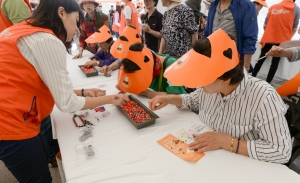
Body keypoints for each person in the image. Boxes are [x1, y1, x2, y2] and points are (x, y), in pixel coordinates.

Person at [0, 0, 129, 182]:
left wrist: (83, 92)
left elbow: (45, 82)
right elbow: (67, 103)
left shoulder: (20, 29)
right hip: (10, 123)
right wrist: (110, 99)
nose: (77, 29)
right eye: (76, 20)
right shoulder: (46, 39)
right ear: (61, 12)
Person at [149, 29, 291, 164]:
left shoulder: (264, 97)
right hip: (206, 160)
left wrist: (226, 142)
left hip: (238, 166)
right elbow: (192, 100)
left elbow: (281, 151)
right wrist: (169, 99)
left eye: (203, 80)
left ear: (225, 80)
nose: (199, 84)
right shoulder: (210, 88)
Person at [102, 43, 187, 98]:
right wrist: (125, 84)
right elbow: (122, 63)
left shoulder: (170, 65)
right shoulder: (143, 61)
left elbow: (178, 97)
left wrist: (147, 93)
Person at [252, 0, 299, 83]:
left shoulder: (273, 7)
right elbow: (294, 28)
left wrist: (270, 34)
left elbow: (265, 25)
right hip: (282, 40)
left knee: (261, 59)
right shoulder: (296, 9)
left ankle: (252, 77)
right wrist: (286, 40)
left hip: (268, 38)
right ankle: (268, 83)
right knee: (275, 63)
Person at [204, 0, 258, 72]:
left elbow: (250, 38)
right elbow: (207, 34)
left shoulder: (246, 6)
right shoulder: (214, 5)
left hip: (232, 64)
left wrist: (245, 68)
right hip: (212, 60)